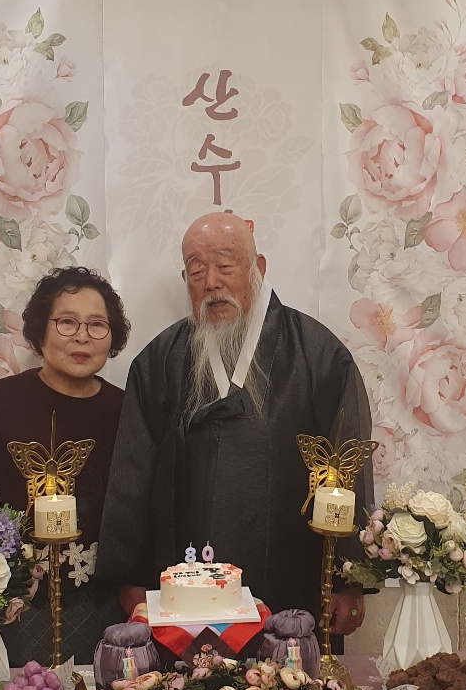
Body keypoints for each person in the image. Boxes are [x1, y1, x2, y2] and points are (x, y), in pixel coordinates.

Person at [96, 212, 373, 633]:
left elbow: (348, 465)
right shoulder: (158, 362)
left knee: (291, 668)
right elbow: (132, 476)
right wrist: (130, 581)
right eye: (196, 271)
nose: (211, 282)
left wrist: (349, 581)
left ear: (257, 268)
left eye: (225, 265)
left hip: (293, 578)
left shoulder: (318, 356)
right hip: (183, 586)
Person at [0, 265, 130, 666]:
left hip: (99, 602)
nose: (82, 336)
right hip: (10, 600)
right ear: (40, 331)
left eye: (97, 325)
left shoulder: (125, 410)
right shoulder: (0, 402)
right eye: (67, 322)